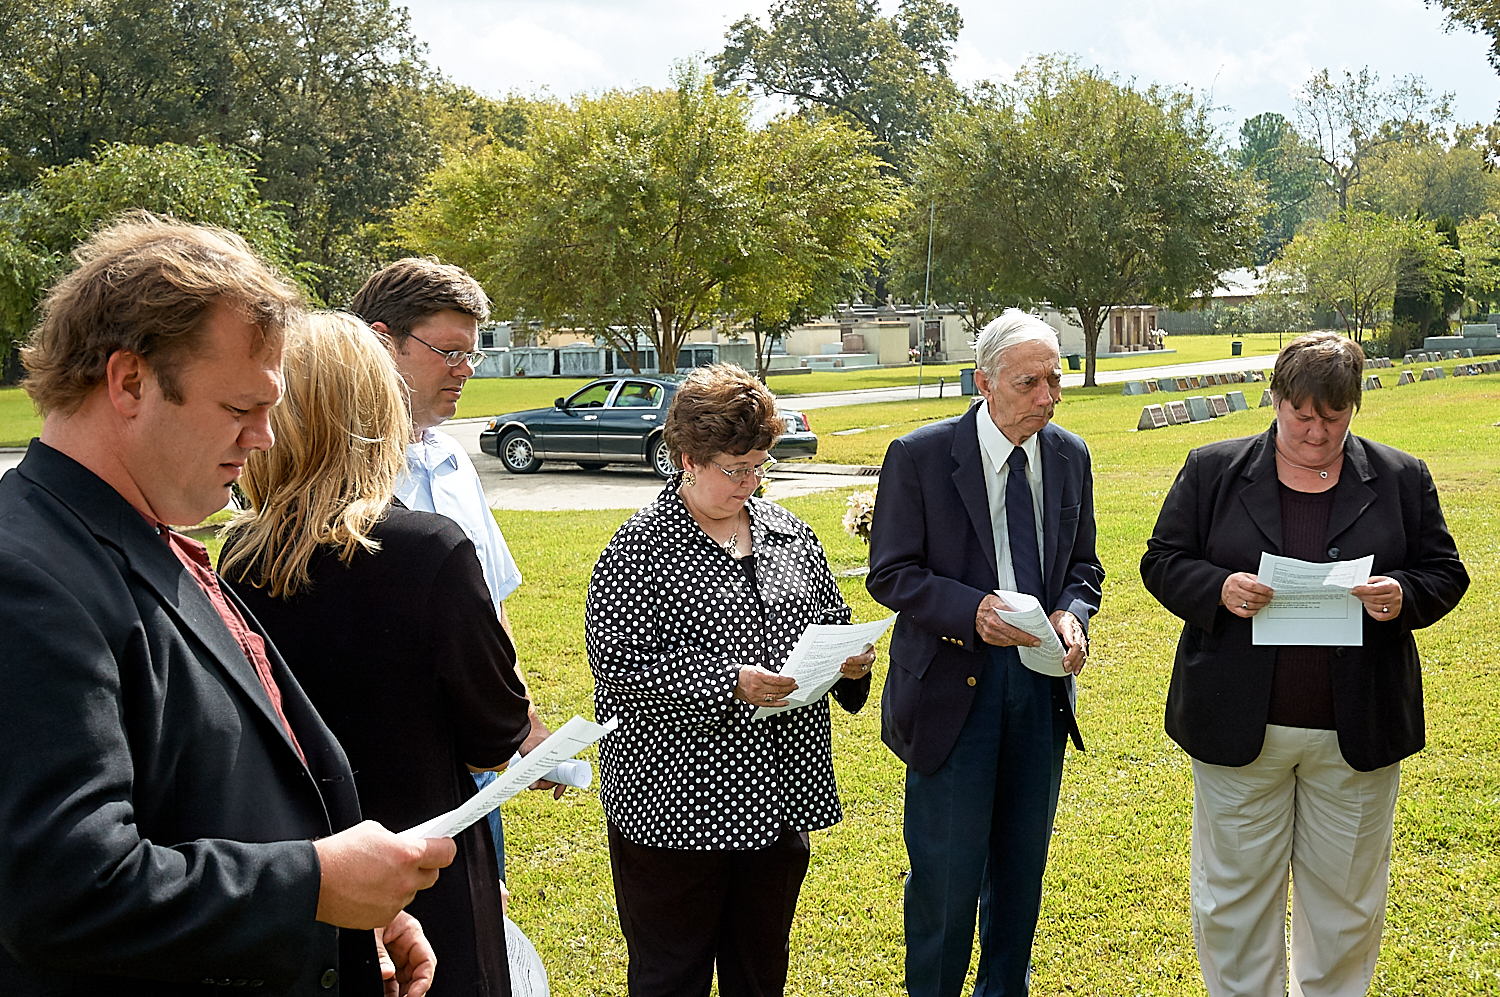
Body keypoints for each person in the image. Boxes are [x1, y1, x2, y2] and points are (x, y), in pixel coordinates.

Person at [0, 215, 451, 996]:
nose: (266, 439)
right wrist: (311, 884)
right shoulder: (27, 575)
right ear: (129, 381)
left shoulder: (136, 533)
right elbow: (63, 888)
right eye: (242, 407)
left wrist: (345, 915)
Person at [1140, 332, 1468, 997]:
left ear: (1353, 408)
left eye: (1335, 417)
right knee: (1232, 902)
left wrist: (1402, 594)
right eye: (1303, 416)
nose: (1318, 432)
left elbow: (1445, 572)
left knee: (1345, 905)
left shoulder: (1401, 476)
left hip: (1357, 726)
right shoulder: (1212, 470)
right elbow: (1162, 561)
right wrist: (1220, 590)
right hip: (1238, 725)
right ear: (1276, 399)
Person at [220, 312, 534, 997]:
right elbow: (495, 736)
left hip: (304, 871)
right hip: (425, 870)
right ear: (378, 411)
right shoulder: (432, 550)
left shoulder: (239, 556)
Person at [586, 363, 877, 997]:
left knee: (760, 970)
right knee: (672, 975)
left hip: (778, 802)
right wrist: (727, 683)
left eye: (759, 467)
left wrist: (850, 664)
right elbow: (620, 675)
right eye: (733, 468)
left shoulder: (789, 534)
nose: (749, 484)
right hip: (676, 809)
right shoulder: (638, 550)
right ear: (686, 459)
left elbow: (829, 620)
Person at [866, 309, 1103, 997]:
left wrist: (1071, 613)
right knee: (946, 878)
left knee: (1021, 873)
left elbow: (1084, 565)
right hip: (950, 691)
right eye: (1030, 383)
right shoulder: (920, 455)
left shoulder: (1069, 454)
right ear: (984, 382)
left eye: (1054, 380)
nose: (1048, 397)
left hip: (1039, 689)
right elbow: (892, 573)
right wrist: (971, 612)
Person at [349, 259, 558, 883]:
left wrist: (523, 725)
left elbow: (490, 605)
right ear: (383, 341)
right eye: (449, 352)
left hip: (470, 768)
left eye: (473, 354)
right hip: (377, 776)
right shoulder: (325, 470)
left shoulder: (450, 459)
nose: (466, 370)